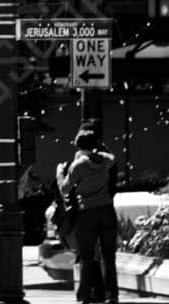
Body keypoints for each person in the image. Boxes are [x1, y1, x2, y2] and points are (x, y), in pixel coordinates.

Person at [60, 129, 119, 304]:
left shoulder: (78, 165)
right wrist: (99, 144)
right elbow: (111, 156)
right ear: (96, 144)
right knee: (109, 256)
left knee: (86, 256)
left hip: (87, 213)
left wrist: (59, 173)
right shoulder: (107, 160)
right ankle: (112, 295)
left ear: (79, 146)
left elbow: (65, 188)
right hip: (107, 210)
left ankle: (84, 296)